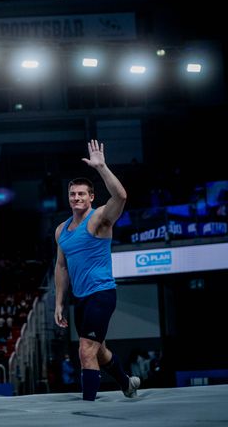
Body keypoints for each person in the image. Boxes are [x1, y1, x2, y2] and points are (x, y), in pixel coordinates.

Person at [54, 139, 140, 401]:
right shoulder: (61, 229)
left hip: (101, 294)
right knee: (98, 350)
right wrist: (59, 302)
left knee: (85, 350)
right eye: (72, 194)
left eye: (81, 194)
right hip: (80, 299)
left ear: (91, 197)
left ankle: (89, 410)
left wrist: (101, 167)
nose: (76, 198)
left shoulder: (99, 219)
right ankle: (127, 383)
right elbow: (61, 266)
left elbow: (121, 196)